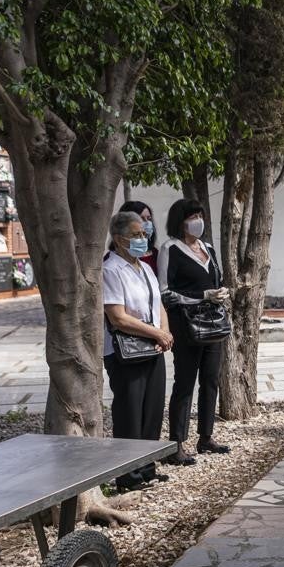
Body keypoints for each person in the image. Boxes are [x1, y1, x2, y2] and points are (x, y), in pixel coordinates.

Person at [103, 210, 174, 492]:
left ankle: (147, 468)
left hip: (152, 347)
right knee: (130, 413)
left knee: (152, 410)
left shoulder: (145, 267)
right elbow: (117, 317)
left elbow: (158, 305)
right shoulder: (110, 269)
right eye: (136, 235)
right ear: (119, 239)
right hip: (125, 351)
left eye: (144, 234)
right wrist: (156, 332)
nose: (142, 239)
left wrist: (164, 332)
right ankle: (128, 476)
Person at [157, 199, 229, 465]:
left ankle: (206, 436)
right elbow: (166, 291)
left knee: (210, 379)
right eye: (192, 216)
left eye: (200, 215)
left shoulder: (207, 248)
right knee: (185, 382)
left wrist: (221, 292)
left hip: (213, 324)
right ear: (180, 220)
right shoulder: (171, 249)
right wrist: (202, 296)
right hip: (186, 326)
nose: (197, 220)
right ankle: (176, 443)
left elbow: (216, 280)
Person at [119, 200, 159, 271]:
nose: (147, 223)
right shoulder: (118, 257)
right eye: (141, 219)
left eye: (149, 218)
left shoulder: (155, 253)